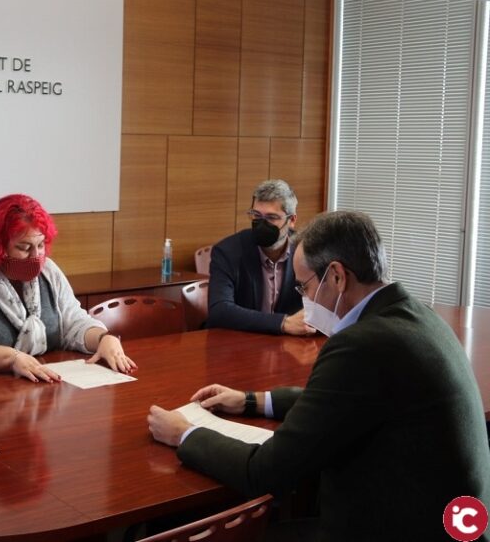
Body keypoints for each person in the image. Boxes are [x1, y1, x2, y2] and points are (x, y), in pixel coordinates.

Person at [148, 210, 490, 541]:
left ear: (338, 277)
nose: (305, 300)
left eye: (304, 287)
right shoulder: (415, 314)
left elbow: (266, 472)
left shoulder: (362, 345)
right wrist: (252, 400)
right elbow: (343, 401)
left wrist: (186, 434)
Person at [0, 194, 136, 381]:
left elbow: (73, 322)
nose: (36, 256)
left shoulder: (48, 271)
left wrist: (103, 338)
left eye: (41, 245)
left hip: (31, 390)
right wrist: (11, 358)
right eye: (24, 247)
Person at [206, 179, 311, 335]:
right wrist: (282, 323)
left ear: (292, 220)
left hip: (289, 346)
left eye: (271, 217)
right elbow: (219, 310)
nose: (262, 225)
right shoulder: (228, 251)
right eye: (256, 215)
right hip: (238, 343)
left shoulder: (307, 251)